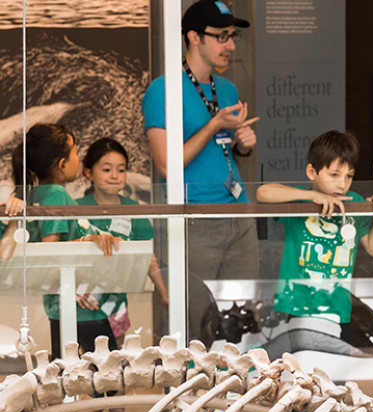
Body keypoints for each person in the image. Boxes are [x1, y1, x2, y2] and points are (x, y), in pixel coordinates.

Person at [142, 0, 259, 335]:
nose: (231, 45)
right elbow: (167, 165)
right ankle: (193, 387)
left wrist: (242, 145)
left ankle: (239, 386)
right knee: (197, 321)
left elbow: (222, 154)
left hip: (239, 215)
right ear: (194, 36)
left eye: (232, 36)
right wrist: (213, 125)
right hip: (195, 218)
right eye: (221, 36)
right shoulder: (163, 89)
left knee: (242, 317)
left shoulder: (227, 88)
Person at [256, 130, 373, 334]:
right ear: (312, 172)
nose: (342, 184)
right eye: (334, 175)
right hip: (295, 307)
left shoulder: (355, 203)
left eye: (349, 176)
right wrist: (312, 196)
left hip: (335, 307)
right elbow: (263, 193)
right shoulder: (302, 200)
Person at [11, 123, 120, 360]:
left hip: (61, 304)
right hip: (81, 305)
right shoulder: (56, 195)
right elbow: (50, 250)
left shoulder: (36, 195)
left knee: (65, 370)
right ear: (62, 163)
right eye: (74, 153)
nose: (79, 159)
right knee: (112, 376)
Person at [77, 137, 169, 346]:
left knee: (114, 358)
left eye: (121, 169)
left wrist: (164, 294)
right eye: (107, 169)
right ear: (89, 173)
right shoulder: (77, 208)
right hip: (84, 302)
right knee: (84, 364)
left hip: (116, 301)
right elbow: (62, 251)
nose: (115, 176)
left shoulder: (133, 208)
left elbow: (149, 256)